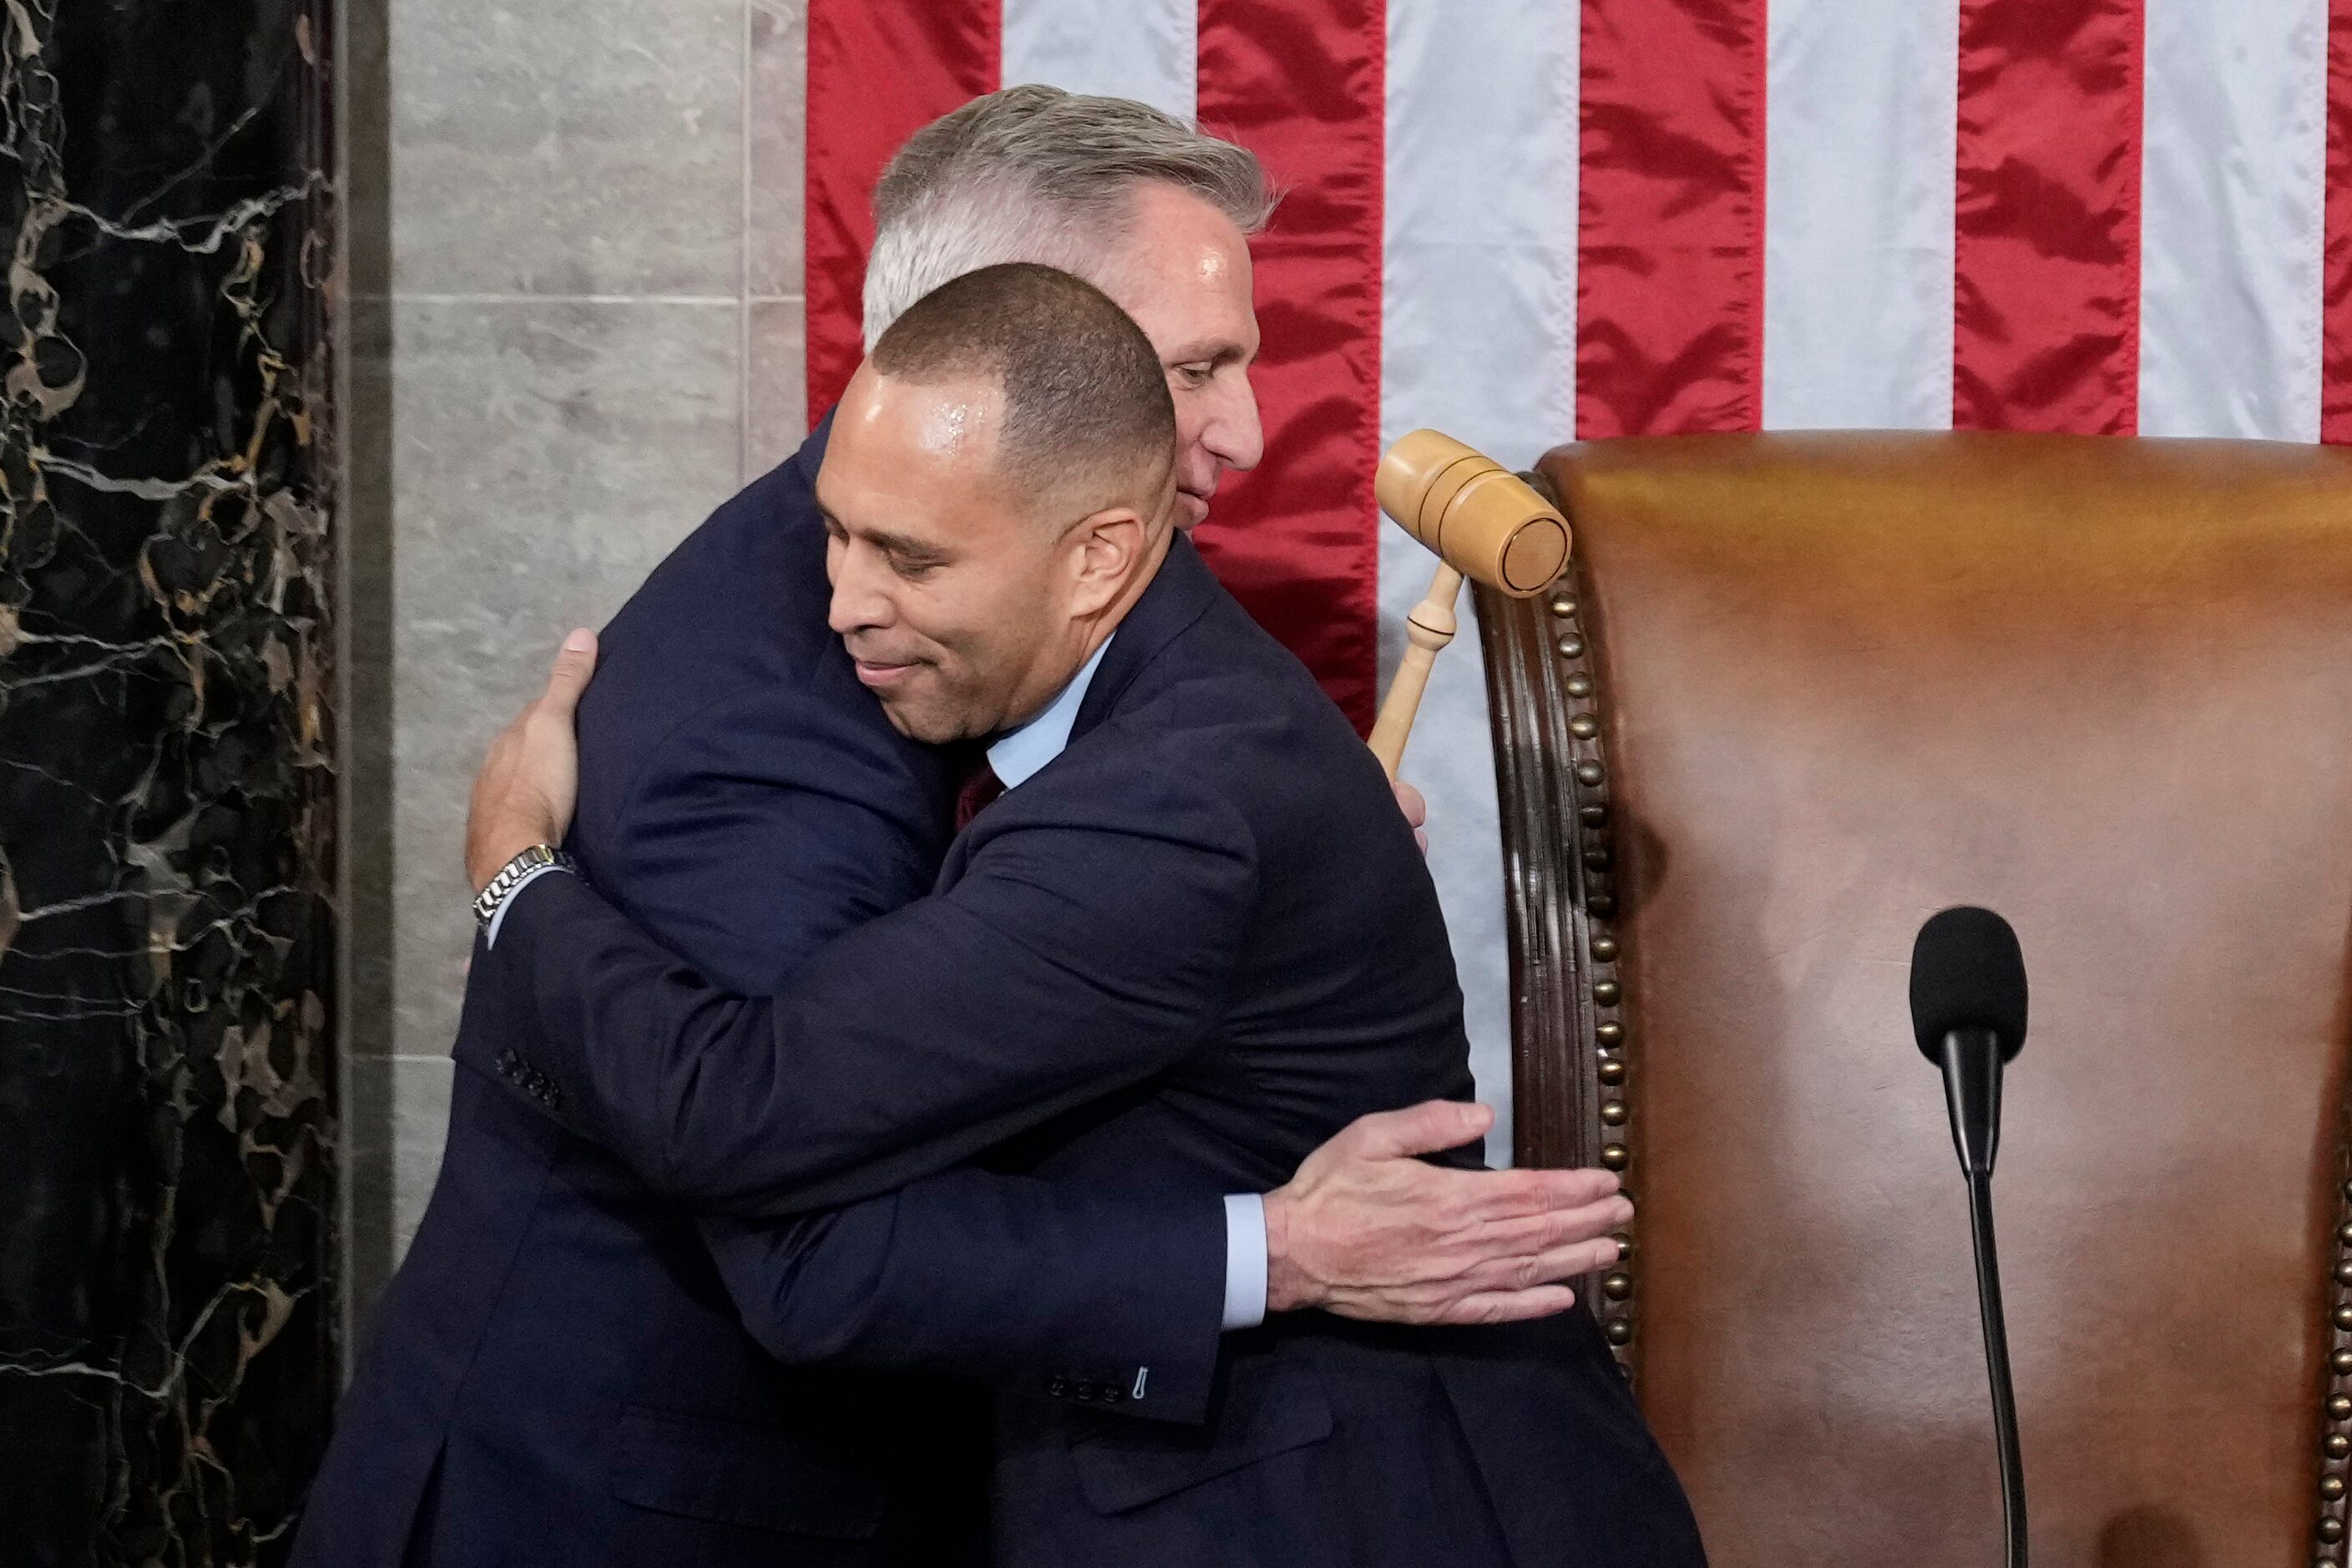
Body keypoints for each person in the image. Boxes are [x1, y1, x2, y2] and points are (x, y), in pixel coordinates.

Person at [294, 91, 1633, 1568]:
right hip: (619, 1503)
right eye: (1187, 369)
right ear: (993, 349)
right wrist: (512, 876)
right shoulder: (790, 707)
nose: (1245, 430)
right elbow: (772, 1181)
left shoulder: (1127, 694)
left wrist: (1232, 867)